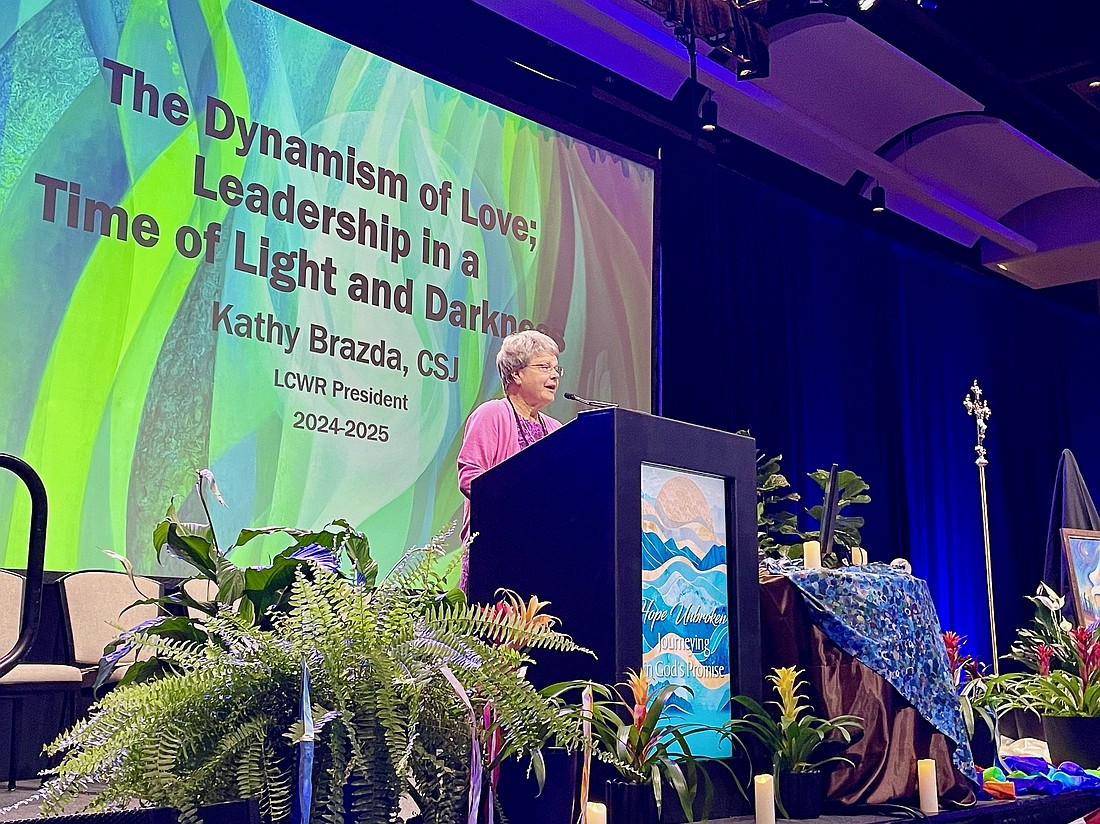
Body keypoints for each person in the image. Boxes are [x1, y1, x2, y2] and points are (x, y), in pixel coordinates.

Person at [457, 330, 564, 587]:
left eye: (556, 369)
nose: (554, 375)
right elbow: (470, 478)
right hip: (496, 549)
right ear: (516, 373)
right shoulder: (491, 414)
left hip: (547, 553)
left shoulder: (556, 429)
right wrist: (519, 502)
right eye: (544, 367)